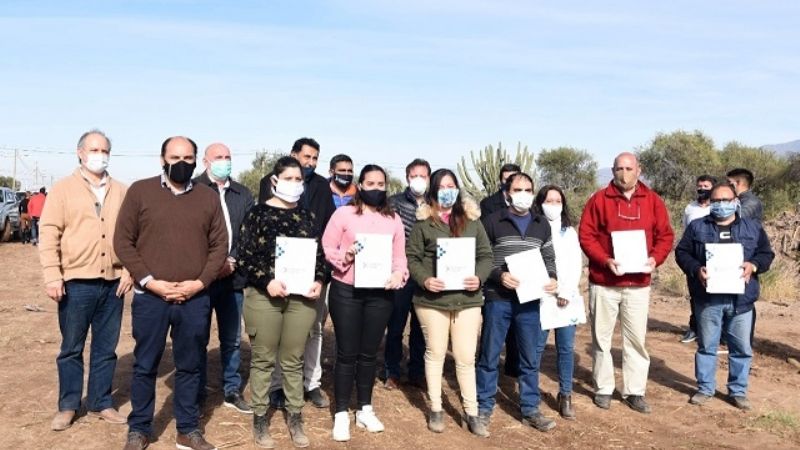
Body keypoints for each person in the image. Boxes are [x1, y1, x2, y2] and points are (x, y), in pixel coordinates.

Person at [114, 136, 228, 450]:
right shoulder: (141, 191)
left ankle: (188, 429)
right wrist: (150, 281)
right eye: (175, 157)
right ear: (162, 158)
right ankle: (139, 428)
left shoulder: (207, 197)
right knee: (145, 364)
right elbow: (123, 241)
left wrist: (200, 282)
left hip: (194, 298)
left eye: (188, 157)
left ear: (196, 161)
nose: (181, 163)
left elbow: (220, 245)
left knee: (191, 365)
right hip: (151, 297)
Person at [39, 129, 133, 431]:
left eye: (105, 150)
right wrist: (53, 274)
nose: (99, 155)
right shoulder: (63, 189)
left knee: (106, 348)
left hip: (113, 283)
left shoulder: (121, 190)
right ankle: (68, 405)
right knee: (71, 347)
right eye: (94, 150)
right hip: (76, 282)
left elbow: (133, 235)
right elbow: (49, 232)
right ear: (80, 152)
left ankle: (100, 401)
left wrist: (129, 272)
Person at [237, 156, 328, 448]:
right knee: (263, 359)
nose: (294, 184)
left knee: (293, 359)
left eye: (298, 179)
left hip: (301, 300)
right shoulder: (257, 214)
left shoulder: (308, 216)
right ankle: (260, 418)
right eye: (288, 178)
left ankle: (295, 415)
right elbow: (245, 257)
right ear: (275, 181)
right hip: (265, 297)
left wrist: (319, 281)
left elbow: (321, 258)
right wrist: (268, 282)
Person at [578, 152, 674, 414]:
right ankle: (604, 388)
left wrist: (655, 259)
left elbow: (665, 235)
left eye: (629, 168)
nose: (624, 173)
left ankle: (634, 391)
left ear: (639, 170)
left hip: (638, 284)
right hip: (604, 282)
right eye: (619, 168)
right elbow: (586, 236)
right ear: (613, 171)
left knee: (635, 341)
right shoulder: (599, 199)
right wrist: (604, 259)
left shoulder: (653, 201)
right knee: (602, 339)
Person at [322, 164, 408, 442]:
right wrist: (344, 258)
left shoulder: (392, 218)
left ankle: (365, 408)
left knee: (370, 353)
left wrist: (398, 274)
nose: (375, 188)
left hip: (380, 294)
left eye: (380, 184)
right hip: (347, 291)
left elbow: (399, 256)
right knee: (347, 353)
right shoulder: (344, 214)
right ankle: (342, 413)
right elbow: (327, 247)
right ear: (360, 185)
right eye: (370, 183)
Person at [407, 168, 493, 437]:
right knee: (435, 354)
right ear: (433, 191)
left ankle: (472, 412)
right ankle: (435, 408)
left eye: (452, 185)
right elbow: (413, 258)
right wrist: (425, 280)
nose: (448, 190)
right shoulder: (423, 223)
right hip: (432, 301)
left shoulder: (471, 221)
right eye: (442, 186)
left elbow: (486, 255)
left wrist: (479, 278)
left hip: (467, 300)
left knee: (466, 358)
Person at [675, 182, 774, 410]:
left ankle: (738, 391)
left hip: (741, 300)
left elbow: (766, 253)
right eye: (716, 200)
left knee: (741, 348)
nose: (721, 205)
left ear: (735, 202)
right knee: (707, 346)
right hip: (708, 299)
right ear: (710, 202)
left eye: (726, 200)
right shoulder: (697, 227)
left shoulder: (753, 228)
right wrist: (696, 269)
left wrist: (754, 265)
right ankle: (705, 388)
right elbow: (682, 252)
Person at [476, 173, 558, 433]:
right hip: (498, 299)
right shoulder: (491, 221)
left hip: (529, 301)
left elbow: (549, 257)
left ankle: (530, 408)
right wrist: (499, 275)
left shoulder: (540, 223)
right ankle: (484, 405)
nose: (523, 193)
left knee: (529, 356)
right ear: (507, 192)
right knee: (489, 354)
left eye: (528, 189)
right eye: (518, 189)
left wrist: (553, 278)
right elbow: (481, 258)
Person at [259, 137, 335, 410]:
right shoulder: (270, 181)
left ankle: (311, 383)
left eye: (315, 158)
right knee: (281, 330)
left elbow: (328, 229)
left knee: (314, 330)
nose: (311, 163)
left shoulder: (322, 188)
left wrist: (320, 273)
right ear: (293, 155)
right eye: (306, 157)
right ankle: (277, 385)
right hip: (280, 271)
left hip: (312, 272)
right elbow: (266, 227)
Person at [194, 143, 255, 414]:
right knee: (198, 337)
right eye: (218, 157)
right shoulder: (192, 189)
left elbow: (249, 233)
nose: (224, 161)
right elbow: (190, 234)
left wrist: (231, 260)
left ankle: (231, 389)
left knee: (231, 338)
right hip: (201, 280)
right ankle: (197, 390)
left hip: (234, 279)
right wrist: (211, 265)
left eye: (228, 157)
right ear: (206, 161)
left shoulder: (242, 193)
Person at [534, 184, 583, 420]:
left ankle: (565, 395)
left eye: (557, 201)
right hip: (541, 297)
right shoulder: (533, 228)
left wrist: (566, 291)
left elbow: (575, 264)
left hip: (566, 299)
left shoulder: (569, 232)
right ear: (540, 202)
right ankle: (531, 395)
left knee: (565, 349)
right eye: (548, 200)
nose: (553, 205)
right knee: (536, 348)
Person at [383, 158, 430, 390]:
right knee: (396, 324)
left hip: (425, 274)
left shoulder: (434, 204)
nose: (418, 180)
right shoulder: (394, 203)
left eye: (423, 176)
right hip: (401, 272)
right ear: (407, 177)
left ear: (429, 179)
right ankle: (391, 370)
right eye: (414, 176)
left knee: (421, 327)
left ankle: (417, 371)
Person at [680, 175, 717, 343]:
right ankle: (694, 328)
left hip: (716, 257)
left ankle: (716, 331)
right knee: (695, 294)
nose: (702, 189)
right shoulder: (690, 208)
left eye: (706, 186)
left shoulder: (718, 207)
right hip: (695, 259)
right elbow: (685, 231)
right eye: (700, 185)